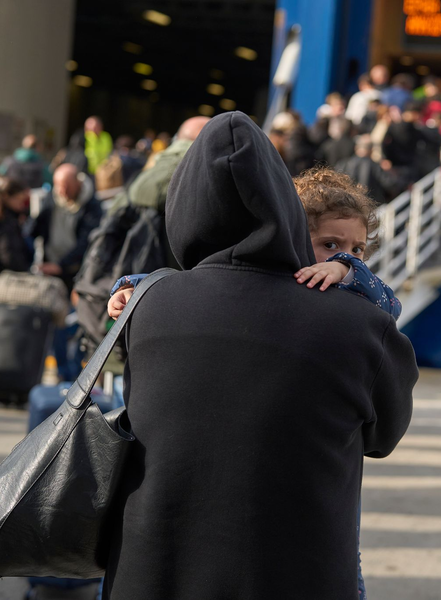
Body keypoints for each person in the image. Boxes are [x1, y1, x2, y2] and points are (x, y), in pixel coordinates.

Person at [100, 112, 417, 600]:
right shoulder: (357, 323)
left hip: (150, 574)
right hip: (296, 574)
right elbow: (383, 436)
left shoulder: (149, 304)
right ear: (287, 213)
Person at [26, 163, 102, 288]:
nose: (63, 191)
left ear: (78, 183)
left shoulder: (92, 207)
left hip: (76, 269)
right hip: (50, 263)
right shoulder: (53, 197)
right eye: (59, 186)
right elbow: (35, 226)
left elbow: (87, 241)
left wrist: (61, 265)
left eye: (67, 186)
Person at [336, 136, 399, 205]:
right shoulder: (374, 165)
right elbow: (390, 184)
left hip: (350, 206)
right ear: (371, 150)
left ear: (356, 148)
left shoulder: (343, 164)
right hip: (370, 207)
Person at [0, 177, 32, 273]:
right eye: (19, 200)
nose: (22, 206)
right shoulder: (8, 222)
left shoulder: (14, 218)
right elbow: (10, 255)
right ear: (6, 197)